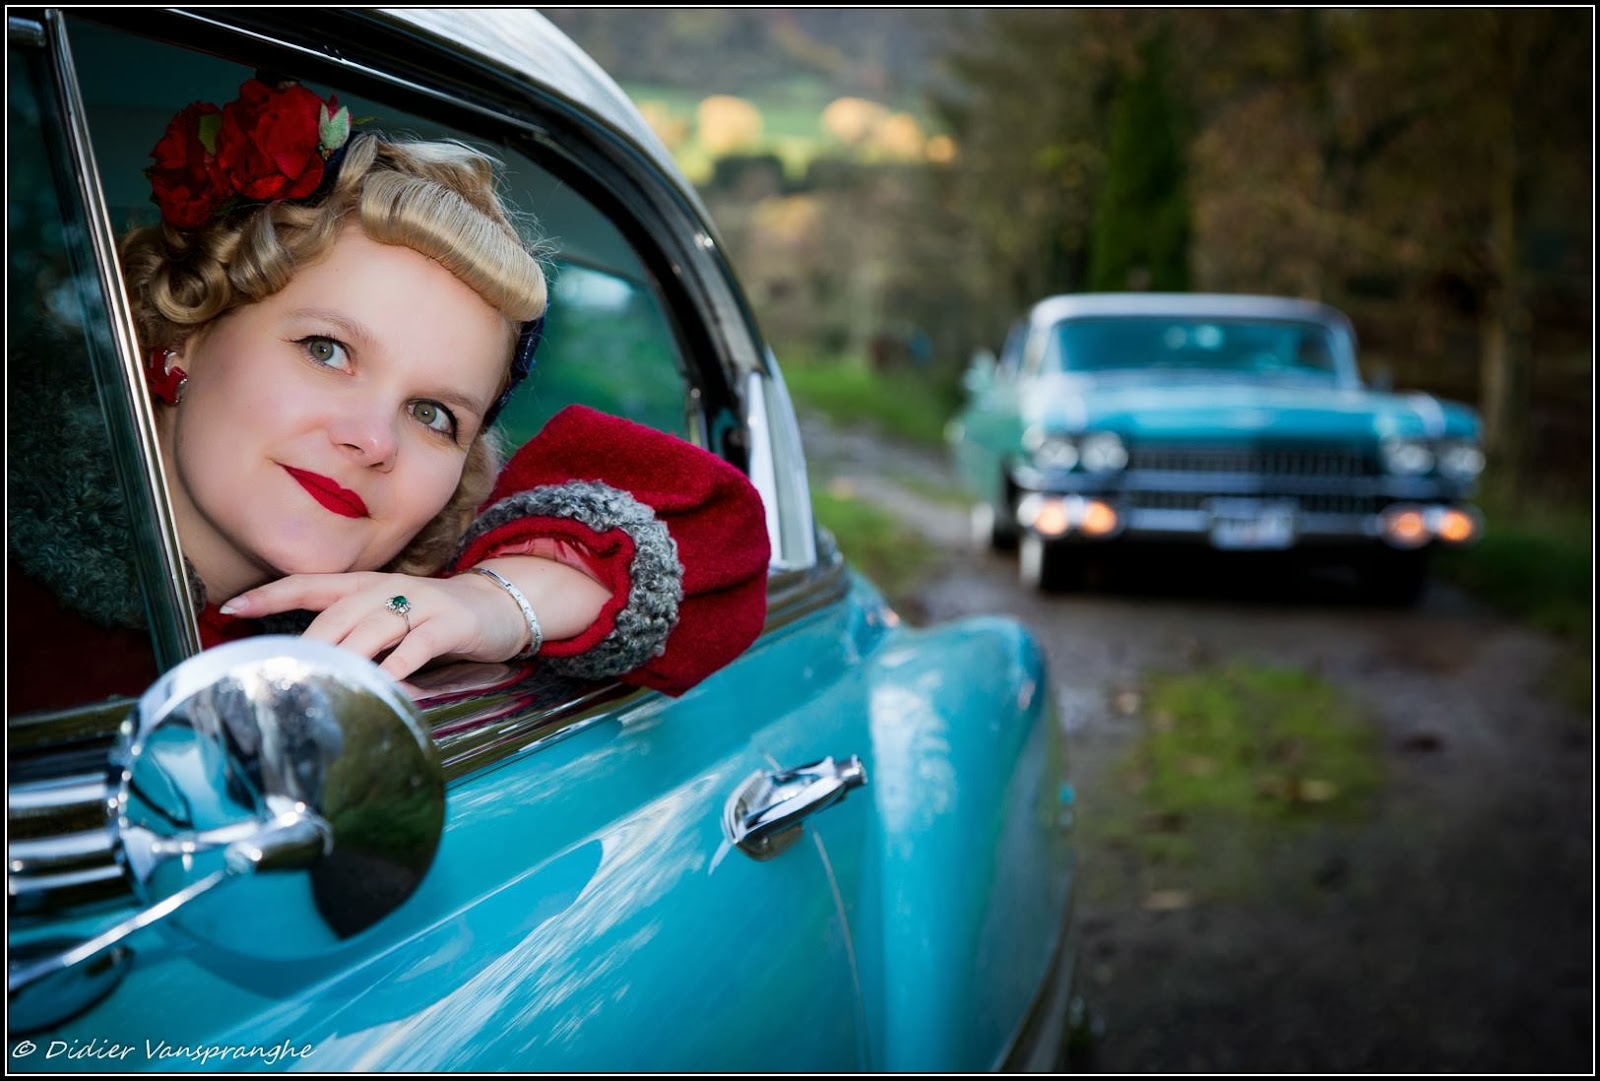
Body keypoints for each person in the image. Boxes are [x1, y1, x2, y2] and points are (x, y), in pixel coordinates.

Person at [7, 77, 770, 713]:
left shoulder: (406, 611)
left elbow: (723, 541)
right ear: (188, 330)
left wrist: (495, 605)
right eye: (328, 350)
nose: (374, 440)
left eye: (433, 415)